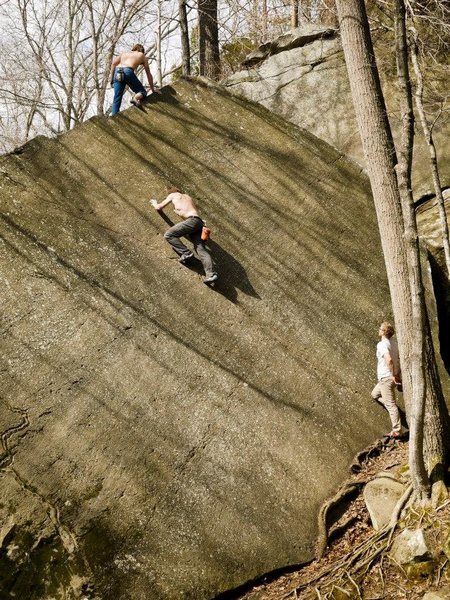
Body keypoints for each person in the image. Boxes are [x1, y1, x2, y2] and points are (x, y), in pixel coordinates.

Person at [150, 187, 218, 285]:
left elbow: (159, 207)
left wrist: (155, 203)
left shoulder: (173, 195)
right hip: (199, 222)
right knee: (201, 250)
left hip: (192, 221)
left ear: (173, 192)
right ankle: (211, 274)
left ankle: (186, 253)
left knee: (169, 235)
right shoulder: (188, 197)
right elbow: (189, 211)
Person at [371, 321, 406, 439]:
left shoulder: (382, 344)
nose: (379, 330)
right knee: (375, 394)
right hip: (388, 378)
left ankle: (397, 430)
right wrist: (398, 376)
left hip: (387, 377)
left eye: (381, 328)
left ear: (384, 332)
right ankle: (393, 408)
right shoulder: (394, 344)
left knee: (390, 404)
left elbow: (389, 360)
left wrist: (393, 375)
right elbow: (399, 361)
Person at [109, 44, 156, 115]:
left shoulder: (124, 54)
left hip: (117, 72)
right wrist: (152, 89)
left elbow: (113, 64)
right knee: (142, 92)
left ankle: (114, 117)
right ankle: (135, 98)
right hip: (128, 71)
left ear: (134, 49)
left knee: (117, 98)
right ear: (142, 50)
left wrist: (111, 79)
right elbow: (148, 74)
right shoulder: (142, 55)